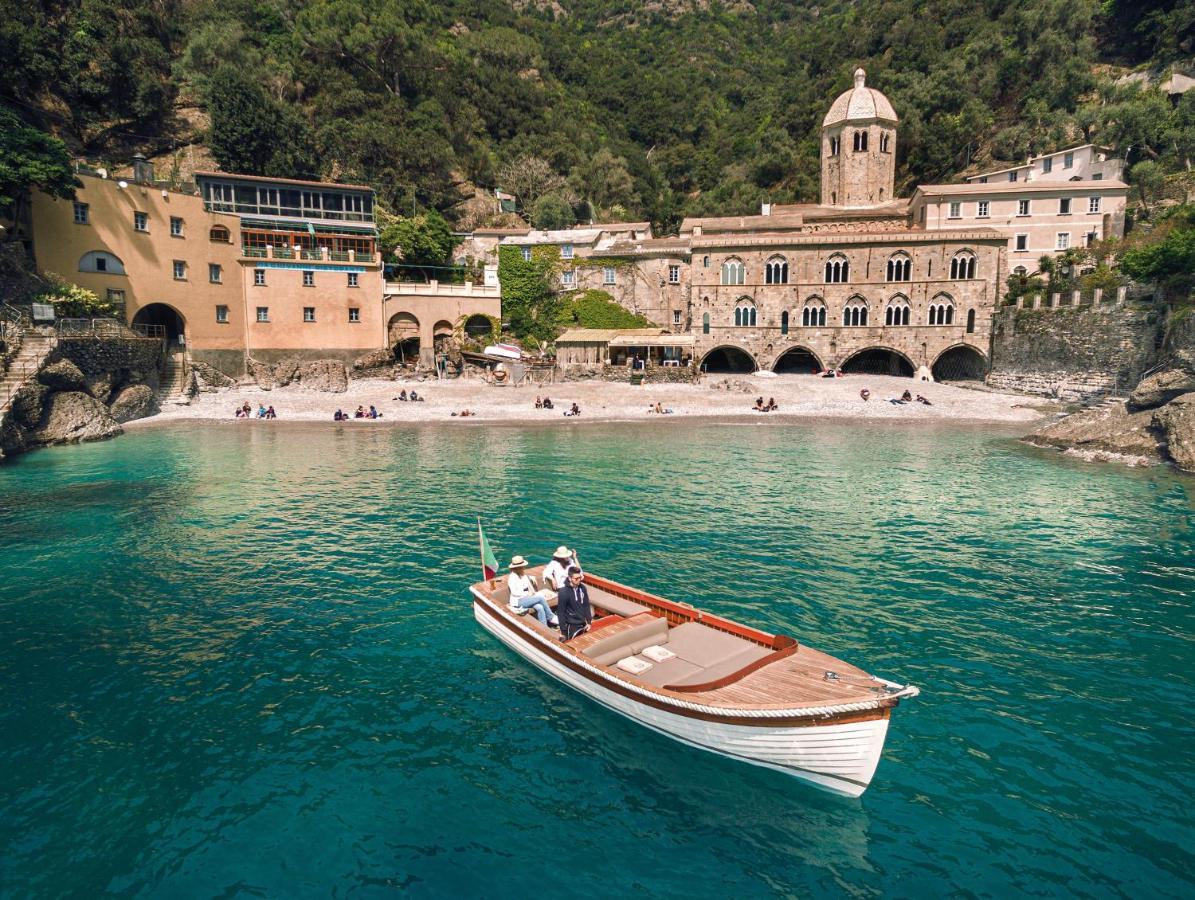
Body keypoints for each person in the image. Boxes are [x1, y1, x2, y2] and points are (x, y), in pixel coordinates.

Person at [506, 555, 559, 628]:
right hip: (518, 601)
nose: (524, 568)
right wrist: (528, 594)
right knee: (540, 598)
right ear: (517, 568)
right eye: (522, 566)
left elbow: (525, 580)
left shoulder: (522, 575)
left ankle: (544, 627)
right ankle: (551, 617)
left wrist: (531, 577)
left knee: (540, 607)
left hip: (526, 599)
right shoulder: (512, 578)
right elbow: (515, 593)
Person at [556, 567, 593, 641]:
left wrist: (589, 622)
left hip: (583, 623)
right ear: (570, 578)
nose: (579, 580)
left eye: (580, 578)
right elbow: (561, 612)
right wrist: (563, 631)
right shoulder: (563, 592)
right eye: (576, 578)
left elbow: (586, 605)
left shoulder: (582, 588)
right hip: (571, 625)